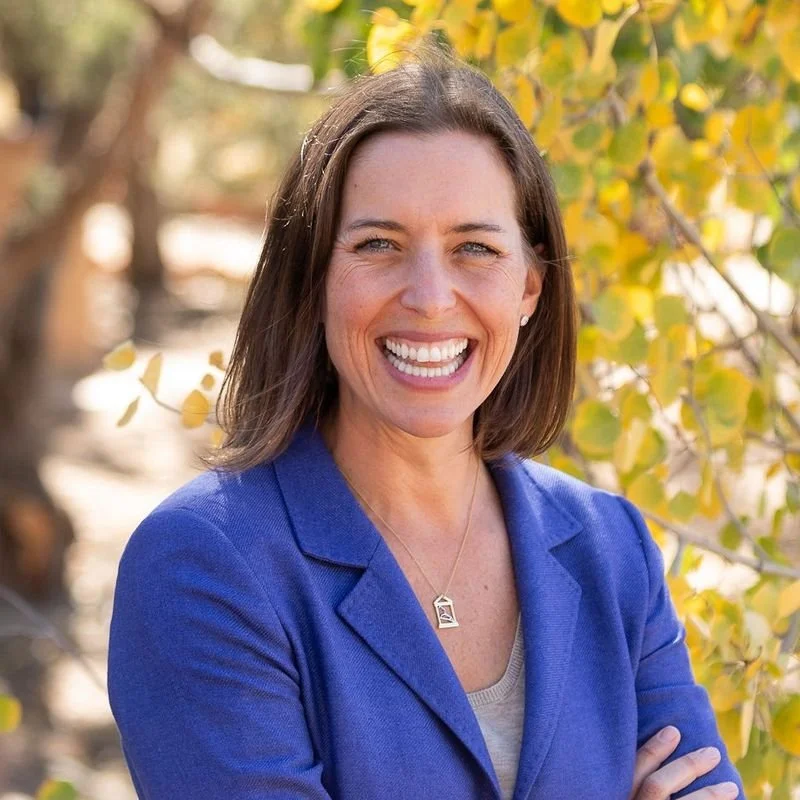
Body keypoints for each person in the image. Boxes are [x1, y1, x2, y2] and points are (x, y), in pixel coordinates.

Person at [107, 50, 746, 800]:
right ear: (315, 279)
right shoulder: (207, 565)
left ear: (530, 290)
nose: (431, 297)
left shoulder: (611, 549)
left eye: (474, 248)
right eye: (379, 245)